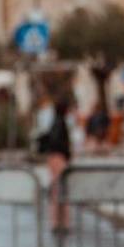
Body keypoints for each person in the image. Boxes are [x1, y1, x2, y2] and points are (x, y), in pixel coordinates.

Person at [37, 97, 72, 232]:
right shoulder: (60, 122)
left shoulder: (55, 121)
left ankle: (59, 222)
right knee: (59, 189)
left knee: (58, 189)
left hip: (55, 157)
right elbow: (58, 142)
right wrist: (66, 154)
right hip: (58, 157)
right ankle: (58, 222)